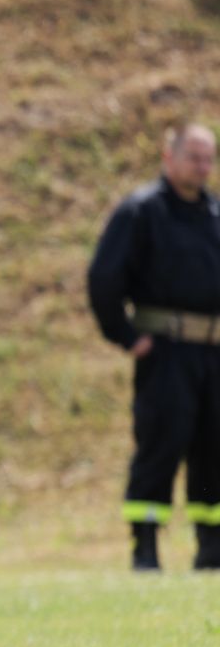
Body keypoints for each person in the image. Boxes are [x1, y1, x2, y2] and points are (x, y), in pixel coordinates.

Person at [88, 123, 220, 571]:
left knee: (214, 448)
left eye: (208, 159)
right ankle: (145, 546)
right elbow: (104, 277)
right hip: (166, 351)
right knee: (162, 442)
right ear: (170, 158)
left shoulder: (214, 215)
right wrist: (125, 335)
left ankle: (212, 546)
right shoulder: (142, 212)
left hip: (213, 353)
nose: (202, 167)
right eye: (193, 158)